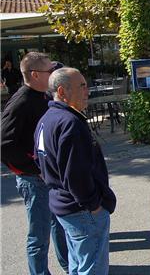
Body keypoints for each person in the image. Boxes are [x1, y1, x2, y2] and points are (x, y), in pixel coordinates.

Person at [34, 67, 117, 275]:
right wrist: (93, 205)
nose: (87, 90)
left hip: (64, 205)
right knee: (91, 268)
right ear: (62, 92)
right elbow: (76, 175)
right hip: (82, 210)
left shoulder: (47, 119)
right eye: (82, 86)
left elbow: (40, 162)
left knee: (78, 265)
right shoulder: (69, 122)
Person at [1, 52, 69, 274]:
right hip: (35, 180)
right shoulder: (20, 102)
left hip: (51, 175)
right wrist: (34, 169)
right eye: (50, 71)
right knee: (39, 235)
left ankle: (69, 266)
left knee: (60, 225)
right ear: (35, 74)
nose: (53, 74)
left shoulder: (45, 96)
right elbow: (4, 144)